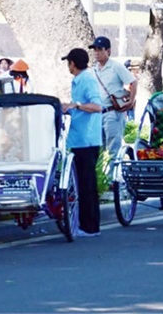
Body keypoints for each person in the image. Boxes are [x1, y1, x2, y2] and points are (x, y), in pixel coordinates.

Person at [60, 48, 103, 238]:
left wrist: (76, 106)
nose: (68, 66)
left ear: (73, 64)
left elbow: (97, 106)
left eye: (68, 62)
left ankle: (90, 226)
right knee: (83, 183)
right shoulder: (78, 81)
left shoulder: (86, 80)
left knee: (87, 184)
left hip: (87, 139)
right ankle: (86, 224)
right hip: (79, 138)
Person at [89, 36, 137, 169]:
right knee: (97, 148)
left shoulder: (116, 66)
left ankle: (111, 180)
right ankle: (99, 179)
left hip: (113, 112)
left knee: (113, 148)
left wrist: (131, 101)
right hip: (98, 113)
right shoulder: (93, 70)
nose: (97, 53)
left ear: (108, 51)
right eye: (95, 50)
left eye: (100, 50)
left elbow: (133, 81)